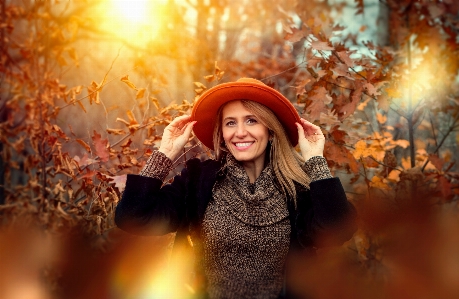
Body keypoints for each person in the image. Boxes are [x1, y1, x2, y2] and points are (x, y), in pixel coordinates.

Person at [115, 78, 356, 299]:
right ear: (222, 133)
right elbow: (134, 217)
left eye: (251, 120)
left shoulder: (296, 186)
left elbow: (338, 230)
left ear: (270, 130)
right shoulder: (198, 180)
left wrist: (315, 160)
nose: (240, 132)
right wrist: (165, 153)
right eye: (231, 123)